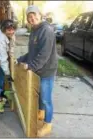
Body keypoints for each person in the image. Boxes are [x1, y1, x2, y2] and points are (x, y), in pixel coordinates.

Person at [16, 5, 58, 137]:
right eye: (29, 16)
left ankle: (48, 124)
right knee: (39, 94)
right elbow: (33, 53)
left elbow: (44, 55)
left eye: (33, 15)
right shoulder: (34, 30)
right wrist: (21, 59)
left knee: (46, 99)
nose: (31, 18)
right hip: (38, 70)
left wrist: (30, 66)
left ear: (40, 15)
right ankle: (41, 112)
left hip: (47, 70)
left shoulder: (46, 30)